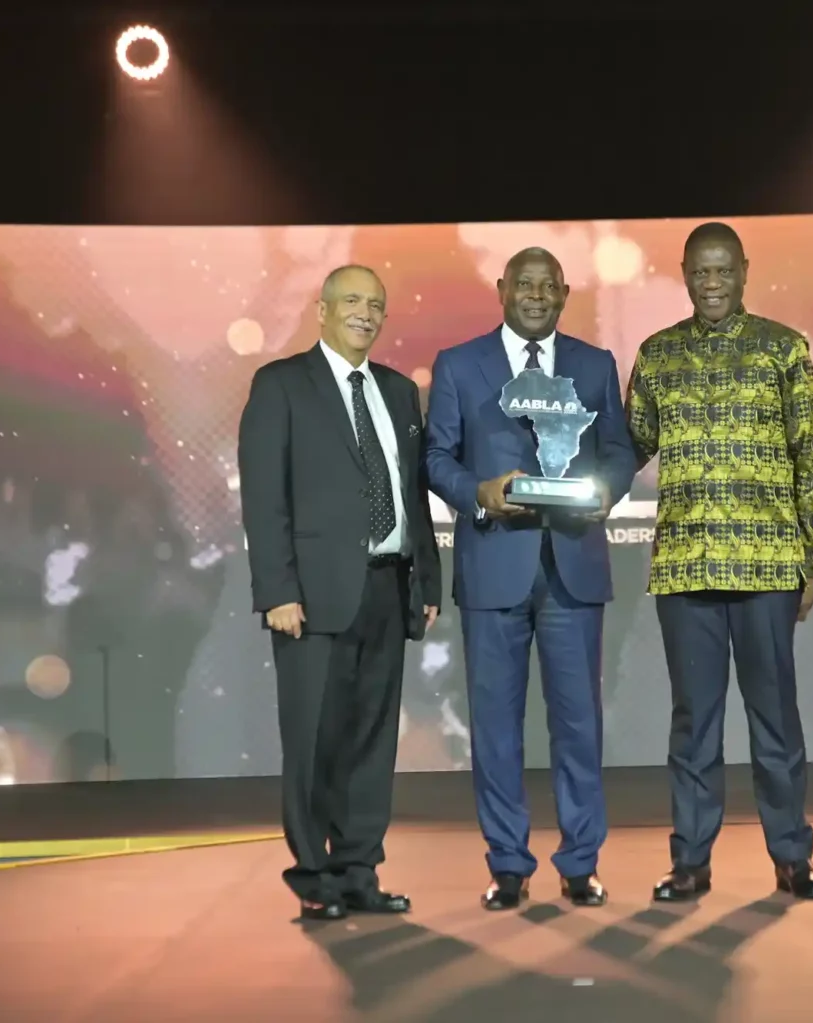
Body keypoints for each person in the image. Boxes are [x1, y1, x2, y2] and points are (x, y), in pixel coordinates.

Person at [626, 222, 813, 902]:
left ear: (744, 270)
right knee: (693, 723)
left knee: (776, 719)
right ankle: (690, 861)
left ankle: (791, 857)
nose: (710, 283)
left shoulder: (783, 349)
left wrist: (807, 560)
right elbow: (628, 446)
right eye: (698, 272)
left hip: (768, 568)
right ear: (684, 274)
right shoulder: (658, 355)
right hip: (685, 570)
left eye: (722, 270)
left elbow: (812, 461)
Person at [425, 247, 636, 911]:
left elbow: (619, 452)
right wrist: (479, 493)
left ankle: (581, 863)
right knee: (495, 727)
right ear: (502, 288)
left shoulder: (595, 365)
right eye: (525, 284)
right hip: (493, 566)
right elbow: (435, 455)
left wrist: (611, 491)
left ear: (566, 293)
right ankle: (507, 864)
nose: (537, 295)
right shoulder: (460, 365)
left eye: (549, 286)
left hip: (573, 566)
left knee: (579, 726)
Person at [238, 264, 441, 921]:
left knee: (372, 741)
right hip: (311, 597)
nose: (366, 312)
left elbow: (413, 494)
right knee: (314, 740)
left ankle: (360, 871)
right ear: (321, 310)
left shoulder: (397, 391)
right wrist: (276, 589)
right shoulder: (280, 385)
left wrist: (427, 581)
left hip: (387, 588)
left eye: (376, 304)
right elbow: (264, 499)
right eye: (352, 300)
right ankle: (314, 874)